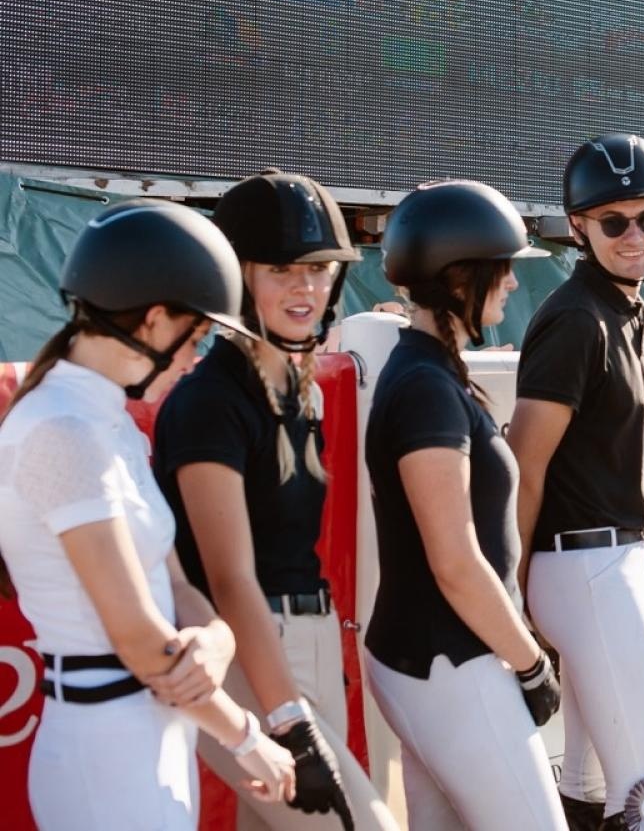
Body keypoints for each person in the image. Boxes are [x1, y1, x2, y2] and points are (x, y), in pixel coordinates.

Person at [0, 199, 296, 829]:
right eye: (198, 336)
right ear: (156, 321)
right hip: (104, 749)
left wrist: (217, 639)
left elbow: (178, 585)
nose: (198, 357)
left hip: (148, 736)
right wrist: (247, 738)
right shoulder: (62, 430)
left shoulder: (108, 423)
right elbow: (137, 638)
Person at [154, 171, 397, 830]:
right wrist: (288, 719)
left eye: (320, 269)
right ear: (236, 277)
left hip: (309, 637)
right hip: (251, 657)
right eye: (284, 268)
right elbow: (231, 579)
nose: (306, 287)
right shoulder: (210, 401)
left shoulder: (295, 386)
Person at [362, 180, 563, 829]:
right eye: (500, 268)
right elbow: (454, 559)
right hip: (449, 665)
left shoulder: (431, 370)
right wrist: (530, 662)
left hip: (440, 662)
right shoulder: (424, 386)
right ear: (458, 278)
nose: (510, 282)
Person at [511, 135, 644, 831]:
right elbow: (523, 463)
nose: (635, 235)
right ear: (578, 225)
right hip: (584, 568)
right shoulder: (577, 318)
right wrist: (512, 587)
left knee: (588, 786)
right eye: (614, 221)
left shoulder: (618, 308)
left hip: (609, 564)